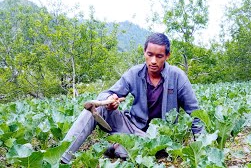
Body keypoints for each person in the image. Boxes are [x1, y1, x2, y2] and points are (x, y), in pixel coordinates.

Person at [60, 33, 202, 164]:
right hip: (131, 126)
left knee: (152, 148)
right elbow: (107, 93)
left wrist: (203, 145)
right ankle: (61, 158)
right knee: (92, 110)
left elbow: (195, 113)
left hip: (157, 137)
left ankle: (118, 148)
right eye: (149, 54)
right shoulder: (135, 73)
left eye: (159, 56)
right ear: (144, 52)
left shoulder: (178, 77)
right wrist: (110, 100)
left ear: (167, 56)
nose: (153, 61)